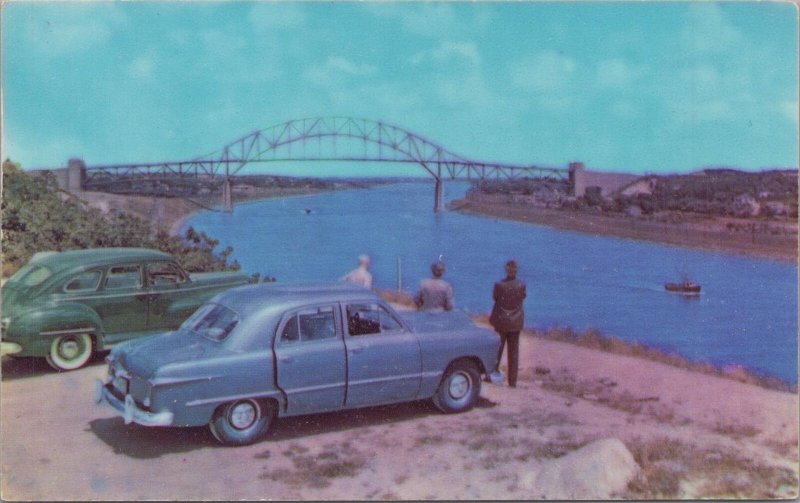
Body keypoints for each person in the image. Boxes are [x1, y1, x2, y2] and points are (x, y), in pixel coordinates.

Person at [489, 260, 526, 388]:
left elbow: (495, 298)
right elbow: (522, 297)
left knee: (497, 350)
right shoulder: (521, 285)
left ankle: (492, 375)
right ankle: (512, 382)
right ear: (516, 270)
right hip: (515, 321)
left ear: (506, 270)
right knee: (514, 352)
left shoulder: (499, 285)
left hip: (501, 320)